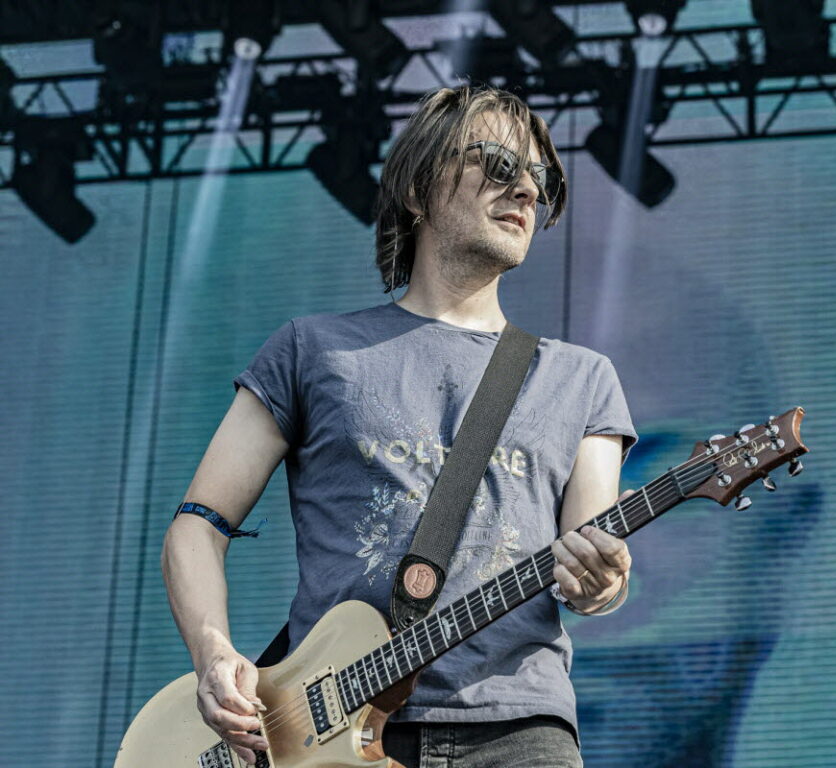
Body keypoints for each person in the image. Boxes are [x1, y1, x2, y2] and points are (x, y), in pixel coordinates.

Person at [161, 84, 638, 768]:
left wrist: (602, 582)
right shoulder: (310, 350)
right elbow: (196, 525)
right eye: (501, 166)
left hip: (518, 730)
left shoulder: (583, 378)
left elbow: (587, 565)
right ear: (419, 187)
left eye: (543, 178)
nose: (528, 191)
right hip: (317, 731)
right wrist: (214, 654)